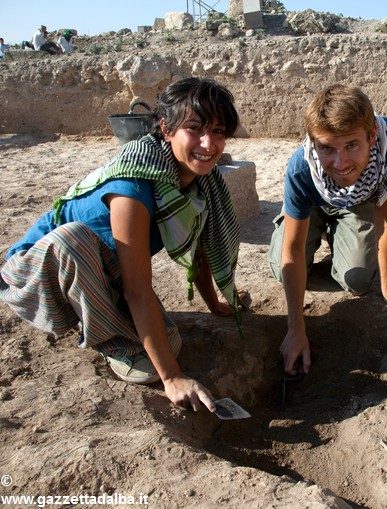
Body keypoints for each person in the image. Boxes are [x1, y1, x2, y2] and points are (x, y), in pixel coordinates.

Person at [0, 77, 243, 413]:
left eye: (218, 131)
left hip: (102, 269)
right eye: (195, 128)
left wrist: (215, 303)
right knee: (75, 240)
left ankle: (108, 318)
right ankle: (111, 340)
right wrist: (171, 377)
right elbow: (137, 290)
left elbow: (199, 248)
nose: (208, 142)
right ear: (166, 128)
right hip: (38, 273)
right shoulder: (134, 183)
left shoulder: (200, 183)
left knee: (170, 341)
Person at [268, 84, 387, 375]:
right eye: (327, 148)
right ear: (313, 143)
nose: (340, 162)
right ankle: (328, 238)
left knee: (357, 280)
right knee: (279, 268)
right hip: (312, 206)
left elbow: (386, 216)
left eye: (351, 145)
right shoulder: (300, 168)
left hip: (361, 202)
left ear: (370, 137)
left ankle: (346, 241)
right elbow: (292, 252)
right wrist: (295, 328)